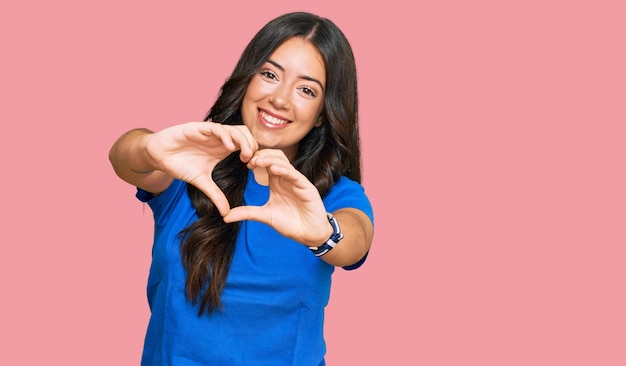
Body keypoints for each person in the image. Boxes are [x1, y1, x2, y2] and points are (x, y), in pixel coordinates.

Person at [109, 11, 374, 365]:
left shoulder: (335, 195)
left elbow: (354, 242)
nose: (280, 99)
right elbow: (125, 158)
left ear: (323, 113)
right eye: (269, 75)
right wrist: (150, 146)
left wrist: (324, 233)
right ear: (247, 79)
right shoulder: (194, 166)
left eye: (306, 90)